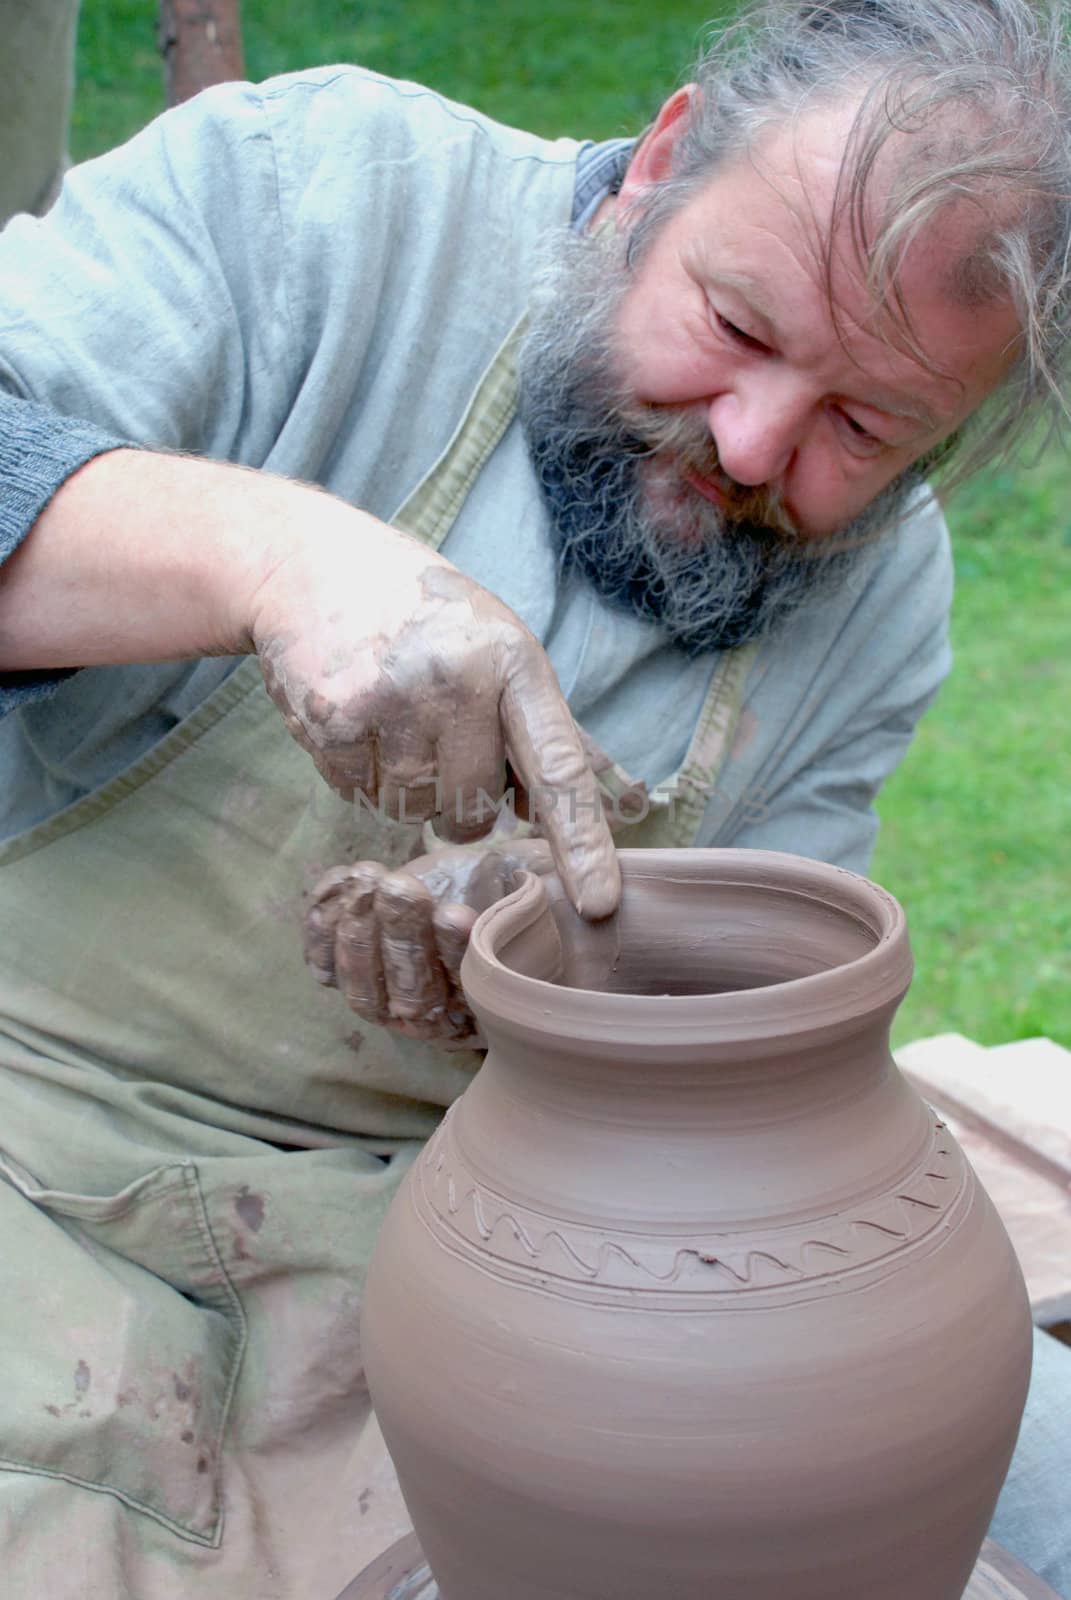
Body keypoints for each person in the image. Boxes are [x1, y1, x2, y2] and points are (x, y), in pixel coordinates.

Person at [0, 0, 1068, 1593]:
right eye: (738, 325)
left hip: (442, 1232)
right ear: (656, 166)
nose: (754, 446)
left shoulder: (884, 594)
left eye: (868, 425)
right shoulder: (324, 195)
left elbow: (757, 1074)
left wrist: (545, 952)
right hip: (33, 1133)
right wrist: (278, 560)